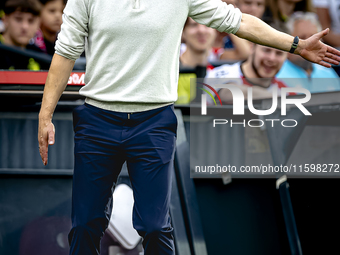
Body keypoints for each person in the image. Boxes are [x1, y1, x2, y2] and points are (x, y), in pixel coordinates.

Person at [38, 0, 340, 255]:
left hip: (153, 122)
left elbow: (240, 22)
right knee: (85, 225)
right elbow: (65, 52)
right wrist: (45, 114)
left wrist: (296, 44)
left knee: (155, 226)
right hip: (97, 120)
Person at [206, 32, 289, 102]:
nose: (272, 58)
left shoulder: (283, 89)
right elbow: (228, 93)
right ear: (252, 47)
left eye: (279, 53)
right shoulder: (223, 73)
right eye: (266, 50)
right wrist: (279, 100)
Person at [276, 12, 340, 93]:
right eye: (302, 38)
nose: (309, 45)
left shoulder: (328, 73)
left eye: (314, 39)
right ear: (288, 41)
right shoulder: (276, 72)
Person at [178, 17, 216, 104]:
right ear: (183, 32)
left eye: (207, 24)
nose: (201, 30)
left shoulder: (217, 72)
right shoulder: (170, 71)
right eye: (193, 25)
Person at [0, 0, 43, 70]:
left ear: (38, 24)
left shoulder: (40, 55)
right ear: (5, 20)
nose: (25, 26)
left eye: (31, 21)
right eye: (18, 19)